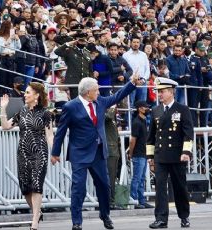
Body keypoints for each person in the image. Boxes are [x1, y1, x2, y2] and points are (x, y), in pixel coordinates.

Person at [51, 72, 143, 230]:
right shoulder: (71, 106)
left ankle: (105, 215)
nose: (99, 92)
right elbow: (61, 130)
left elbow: (117, 96)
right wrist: (55, 152)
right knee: (78, 187)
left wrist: (132, 83)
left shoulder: (100, 102)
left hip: (99, 152)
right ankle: (77, 221)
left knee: (104, 186)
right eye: (97, 90)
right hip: (79, 153)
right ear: (88, 92)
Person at [0, 82, 54, 230]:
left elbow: (49, 135)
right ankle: (37, 212)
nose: (25, 95)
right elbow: (5, 126)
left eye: (28, 92)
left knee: (37, 185)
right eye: (25, 92)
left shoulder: (45, 113)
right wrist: (3, 108)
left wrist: (54, 152)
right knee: (25, 188)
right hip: (23, 153)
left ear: (36, 95)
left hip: (39, 152)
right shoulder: (21, 112)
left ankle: (35, 219)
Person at [146, 77, 194, 229]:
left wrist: (186, 151)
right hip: (161, 155)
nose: (159, 94)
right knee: (160, 188)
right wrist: (150, 157)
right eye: (158, 92)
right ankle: (161, 219)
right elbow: (151, 136)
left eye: (162, 91)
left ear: (171, 92)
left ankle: (184, 216)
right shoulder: (156, 110)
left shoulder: (182, 109)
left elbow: (188, 133)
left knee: (180, 187)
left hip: (177, 155)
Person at [129, 100, 154, 209]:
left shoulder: (143, 121)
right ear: (139, 109)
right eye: (145, 107)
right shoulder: (137, 122)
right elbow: (132, 140)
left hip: (143, 154)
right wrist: (131, 153)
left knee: (141, 178)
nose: (147, 109)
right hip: (138, 154)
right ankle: (134, 200)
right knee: (137, 178)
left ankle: (141, 200)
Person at [105, 106, 122, 210]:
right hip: (110, 152)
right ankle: (110, 202)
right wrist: (111, 109)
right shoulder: (105, 116)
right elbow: (107, 118)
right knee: (110, 178)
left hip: (115, 151)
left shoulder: (113, 120)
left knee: (113, 177)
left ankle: (112, 200)